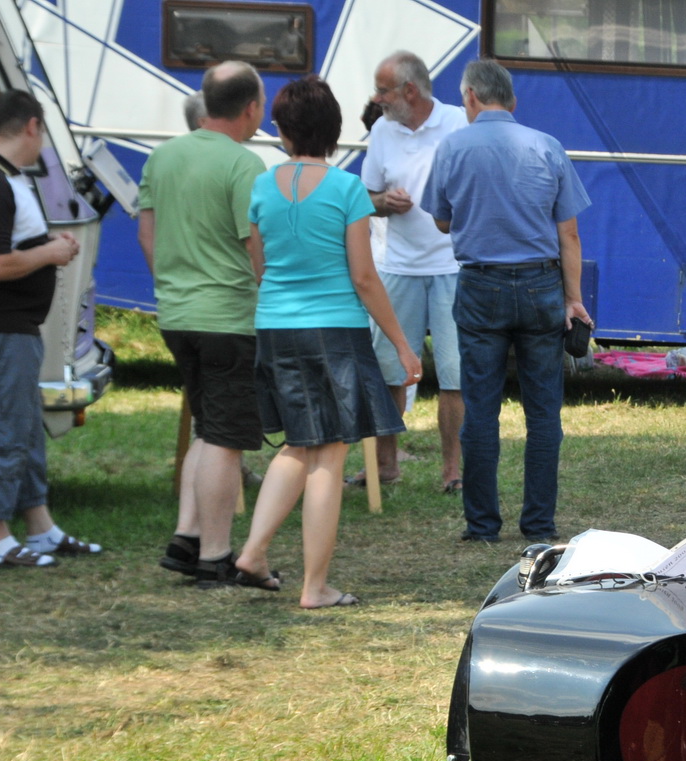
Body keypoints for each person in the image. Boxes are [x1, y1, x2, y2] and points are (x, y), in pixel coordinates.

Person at [232, 76, 420, 610]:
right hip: (334, 330)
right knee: (329, 456)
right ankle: (315, 587)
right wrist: (404, 346)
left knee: (298, 443)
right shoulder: (346, 189)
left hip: (275, 327)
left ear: (284, 131)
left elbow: (259, 265)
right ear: (334, 130)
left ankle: (253, 552)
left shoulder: (263, 187)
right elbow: (364, 277)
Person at [424, 58, 592, 543]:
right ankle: (538, 523)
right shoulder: (547, 146)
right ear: (512, 101)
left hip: (479, 286)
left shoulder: (452, 146)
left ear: (472, 96)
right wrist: (573, 299)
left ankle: (482, 524)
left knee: (480, 409)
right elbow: (570, 234)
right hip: (541, 288)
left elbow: (440, 219)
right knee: (543, 413)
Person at [138, 61, 267, 585]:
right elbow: (256, 248)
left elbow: (148, 233)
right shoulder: (245, 165)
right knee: (226, 437)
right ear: (251, 108)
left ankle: (187, 536)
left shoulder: (161, 156)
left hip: (176, 313)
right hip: (230, 316)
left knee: (207, 425)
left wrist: (174, 283)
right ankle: (216, 554)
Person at [0, 89, 100, 568]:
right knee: (1, 428)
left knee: (24, 428)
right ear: (30, 126)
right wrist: (50, 253)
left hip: (12, 327)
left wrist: (47, 243)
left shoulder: (2, 177)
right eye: (42, 131)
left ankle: (40, 527)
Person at [357, 49, 466, 494]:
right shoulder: (382, 131)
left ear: (410, 91)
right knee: (389, 372)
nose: (376, 99)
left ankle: (453, 473)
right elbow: (363, 198)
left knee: (455, 375)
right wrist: (384, 203)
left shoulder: (461, 122)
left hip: (452, 266)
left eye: (383, 90)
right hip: (397, 267)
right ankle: (384, 467)